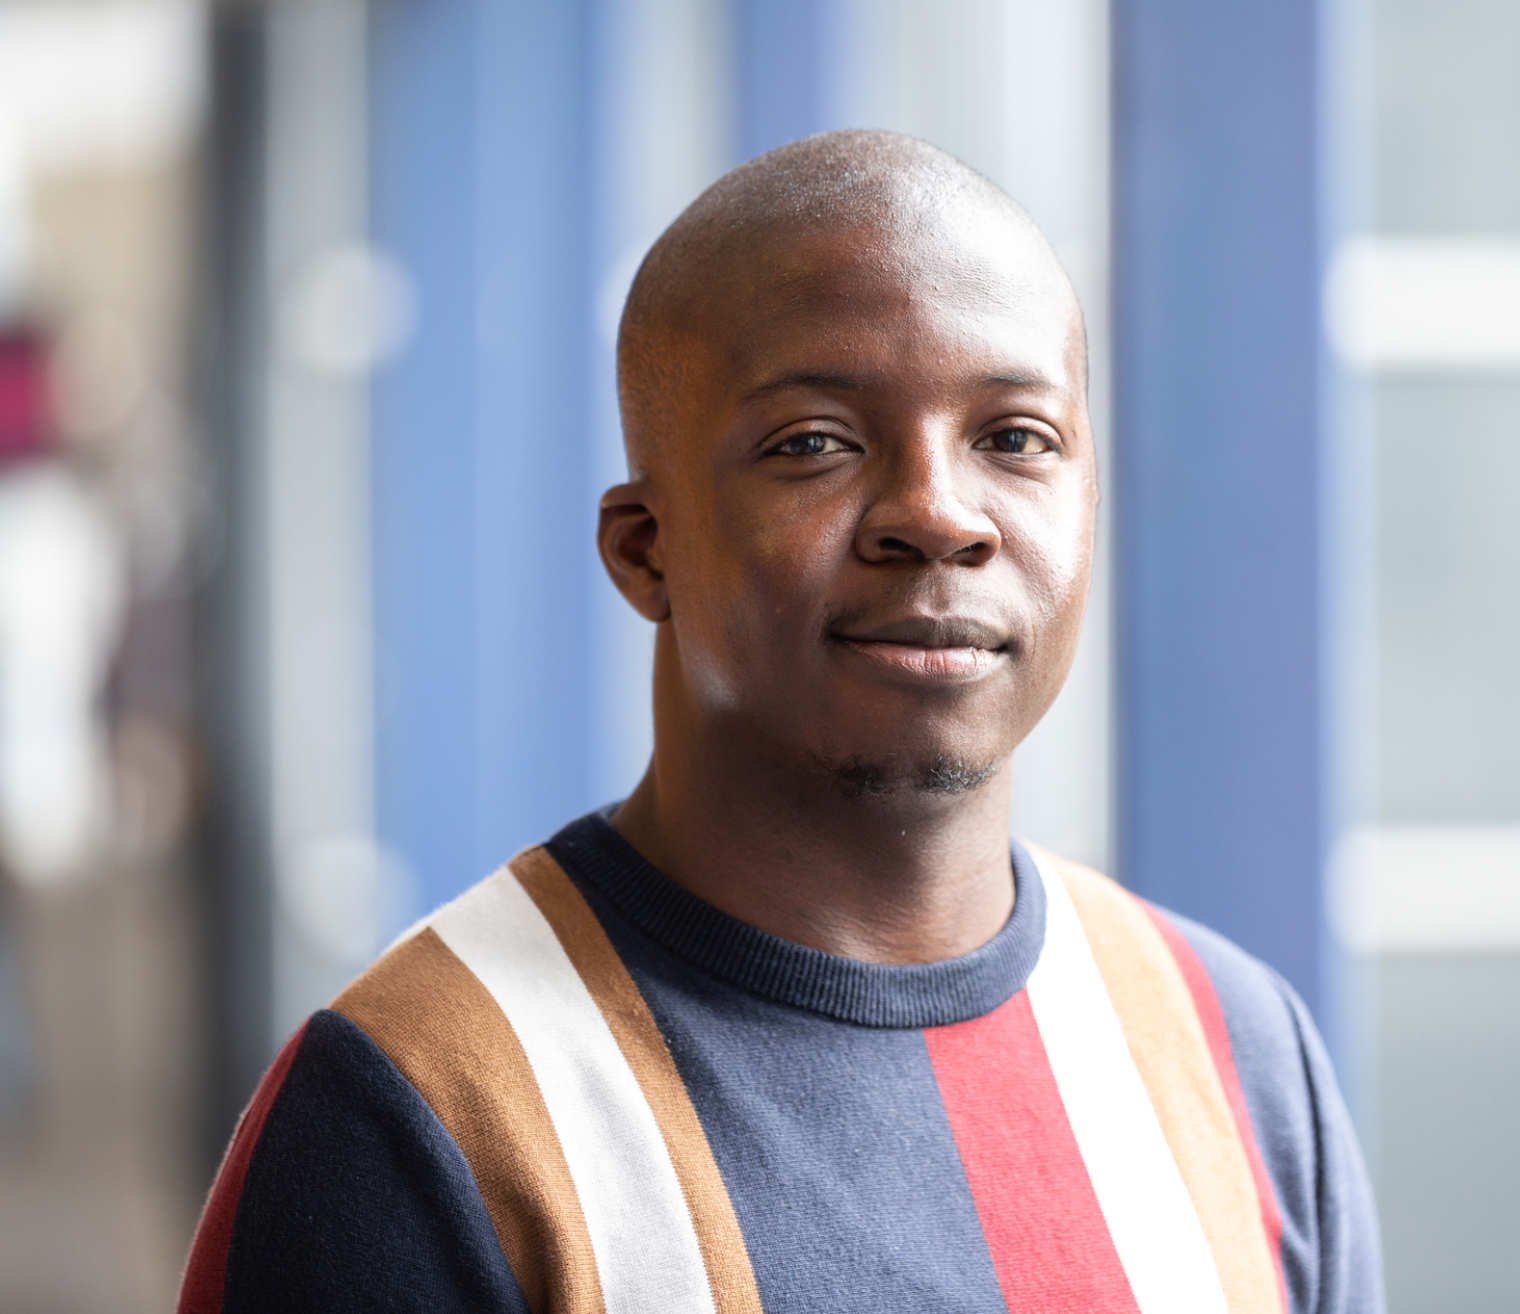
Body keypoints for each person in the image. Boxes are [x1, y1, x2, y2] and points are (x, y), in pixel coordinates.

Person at [177, 130, 1383, 1314]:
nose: (937, 514)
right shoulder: (418, 1112)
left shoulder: (1230, 1048)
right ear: (644, 551)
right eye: (814, 442)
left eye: (1015, 438)